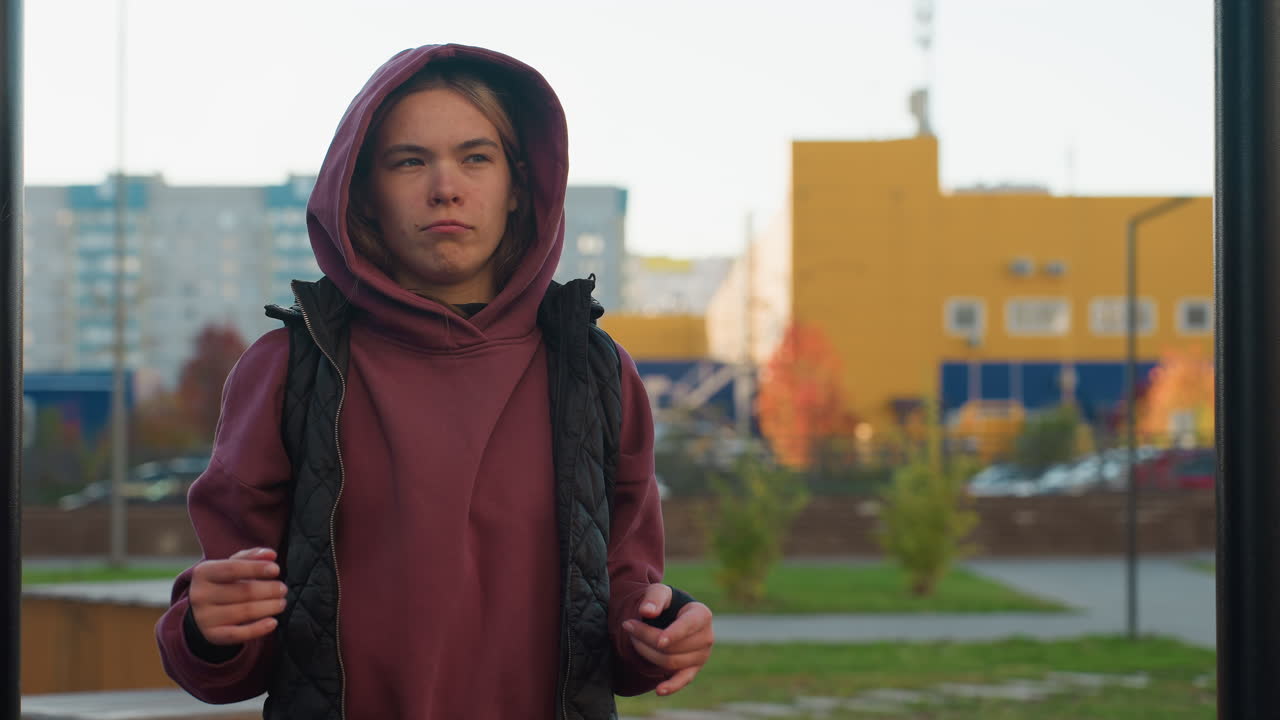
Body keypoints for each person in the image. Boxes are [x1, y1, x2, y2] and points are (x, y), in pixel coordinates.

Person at [155, 43, 714, 719]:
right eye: (409, 161)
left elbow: (625, 596)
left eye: (475, 158)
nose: (445, 186)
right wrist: (206, 629)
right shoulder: (289, 371)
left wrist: (662, 627)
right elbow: (225, 644)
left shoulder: (595, 371)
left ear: (518, 188)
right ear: (363, 194)